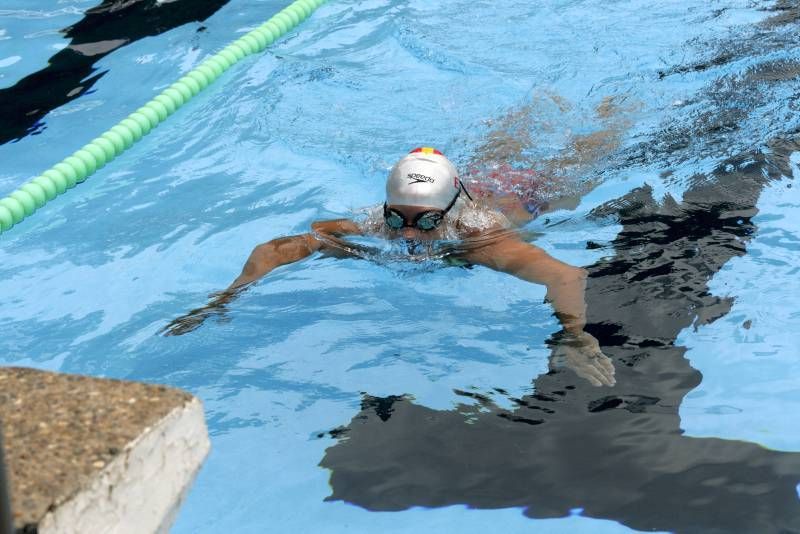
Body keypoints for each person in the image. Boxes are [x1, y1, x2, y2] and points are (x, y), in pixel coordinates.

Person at [162, 147, 615, 387]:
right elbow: (281, 246)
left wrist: (573, 335)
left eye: (427, 222)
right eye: (397, 218)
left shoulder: (482, 241)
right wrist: (224, 299)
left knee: (578, 161)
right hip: (471, 180)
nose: (408, 236)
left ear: (452, 213)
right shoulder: (375, 224)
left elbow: (565, 274)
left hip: (531, 192)